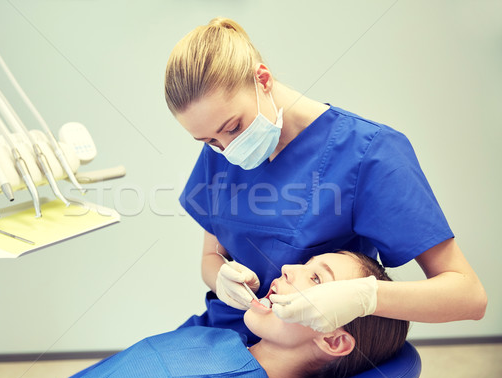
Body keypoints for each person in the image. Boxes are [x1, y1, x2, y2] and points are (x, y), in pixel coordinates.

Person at [164, 17, 487, 344]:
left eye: (233, 128)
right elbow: (211, 257)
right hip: (220, 332)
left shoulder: (370, 154)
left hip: (298, 349)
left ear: (262, 79)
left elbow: (468, 296)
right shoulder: (222, 150)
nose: (227, 148)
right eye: (208, 141)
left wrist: (364, 297)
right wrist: (219, 277)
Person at [56, 252, 409, 378]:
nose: (288, 268)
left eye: (317, 279)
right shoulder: (220, 338)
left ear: (333, 340)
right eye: (307, 264)